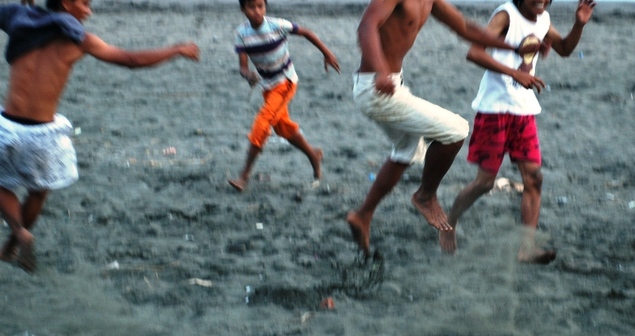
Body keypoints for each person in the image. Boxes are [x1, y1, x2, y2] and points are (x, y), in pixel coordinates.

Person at [0, 0, 200, 272]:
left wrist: (27, 7)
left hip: (7, 126)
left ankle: (17, 233)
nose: (89, 11)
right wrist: (176, 49)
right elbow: (131, 60)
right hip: (42, 134)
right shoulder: (81, 41)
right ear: (67, 4)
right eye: (84, 3)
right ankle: (16, 239)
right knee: (39, 189)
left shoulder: (20, 23)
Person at [346, 0, 532, 257]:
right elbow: (366, 26)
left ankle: (362, 215)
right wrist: (380, 72)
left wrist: (513, 46)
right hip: (376, 88)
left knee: (406, 152)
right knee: (455, 130)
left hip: (392, 85)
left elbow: (465, 27)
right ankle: (425, 195)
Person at [439, 0, 596, 264]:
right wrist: (515, 73)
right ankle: (449, 222)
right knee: (485, 183)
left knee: (534, 179)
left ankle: (526, 248)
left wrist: (578, 24)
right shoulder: (505, 15)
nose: (540, 1)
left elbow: (566, 49)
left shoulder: (543, 20)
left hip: (524, 111)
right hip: (494, 110)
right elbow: (475, 53)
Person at [227, 0, 340, 193]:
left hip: (286, 81)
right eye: (251, 7)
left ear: (265, 6)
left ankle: (243, 176)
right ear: (242, 9)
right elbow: (243, 67)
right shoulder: (241, 34)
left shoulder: (277, 25)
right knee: (281, 126)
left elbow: (306, 32)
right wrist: (248, 76)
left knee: (262, 124)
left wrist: (327, 53)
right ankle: (313, 154)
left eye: (260, 6)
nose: (257, 11)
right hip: (268, 86)